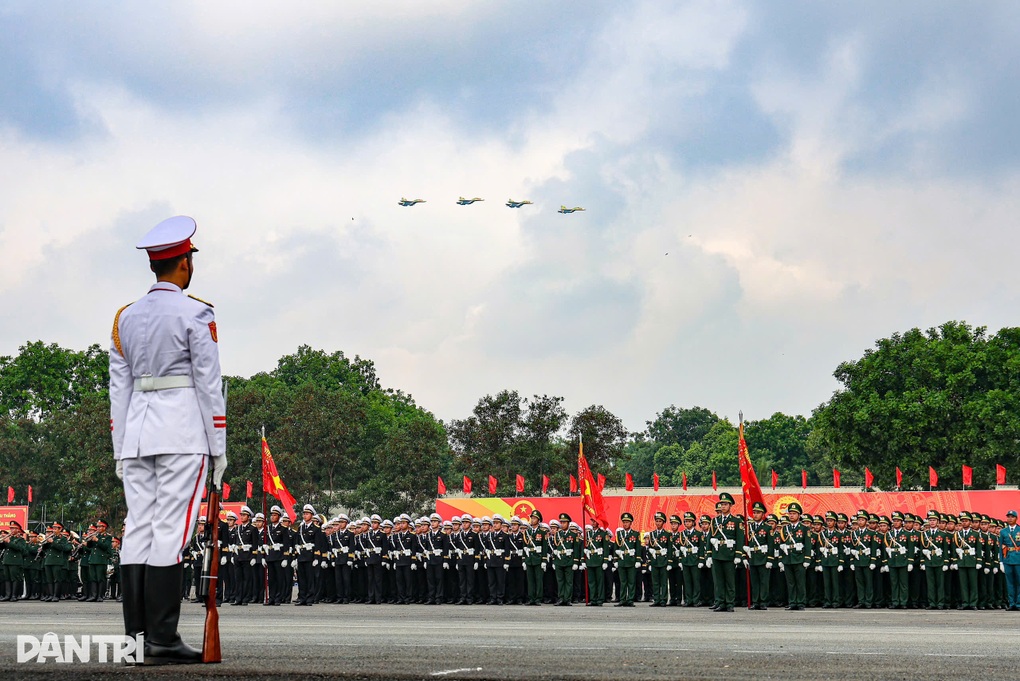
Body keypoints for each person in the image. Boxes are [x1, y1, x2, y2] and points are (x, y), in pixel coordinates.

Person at [110, 215, 227, 664]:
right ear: (184, 263)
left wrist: (122, 447)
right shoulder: (196, 312)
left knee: (137, 528)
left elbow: (117, 389)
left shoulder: (127, 316)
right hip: (182, 431)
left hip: (137, 433)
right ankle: (162, 640)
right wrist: (218, 448)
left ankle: (135, 643)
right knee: (171, 533)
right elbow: (208, 382)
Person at [999, 510, 1020, 611]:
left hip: (1018, 559)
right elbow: (1001, 547)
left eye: (1012, 517)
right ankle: (1011, 603)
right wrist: (1001, 561)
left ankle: (1019, 603)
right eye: (1008, 517)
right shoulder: (1003, 531)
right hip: (1007, 559)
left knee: (1019, 582)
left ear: (1016, 518)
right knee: (1010, 583)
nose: (1010, 518)